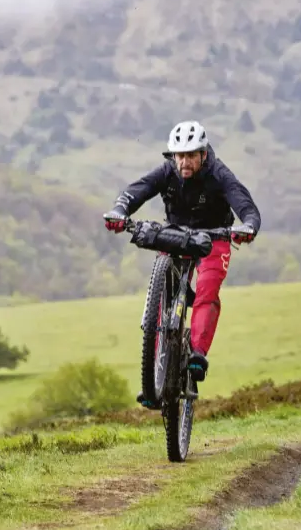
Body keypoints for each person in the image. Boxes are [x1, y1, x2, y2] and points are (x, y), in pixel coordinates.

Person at [103, 120, 261, 394]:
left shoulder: (219, 174)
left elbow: (246, 206)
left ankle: (197, 353)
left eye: (190, 156)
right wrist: (119, 211)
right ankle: (154, 376)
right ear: (172, 155)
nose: (184, 162)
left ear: (203, 154)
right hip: (176, 236)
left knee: (206, 292)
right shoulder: (168, 171)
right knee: (161, 299)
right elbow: (137, 190)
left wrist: (247, 227)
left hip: (214, 240)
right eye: (180, 156)